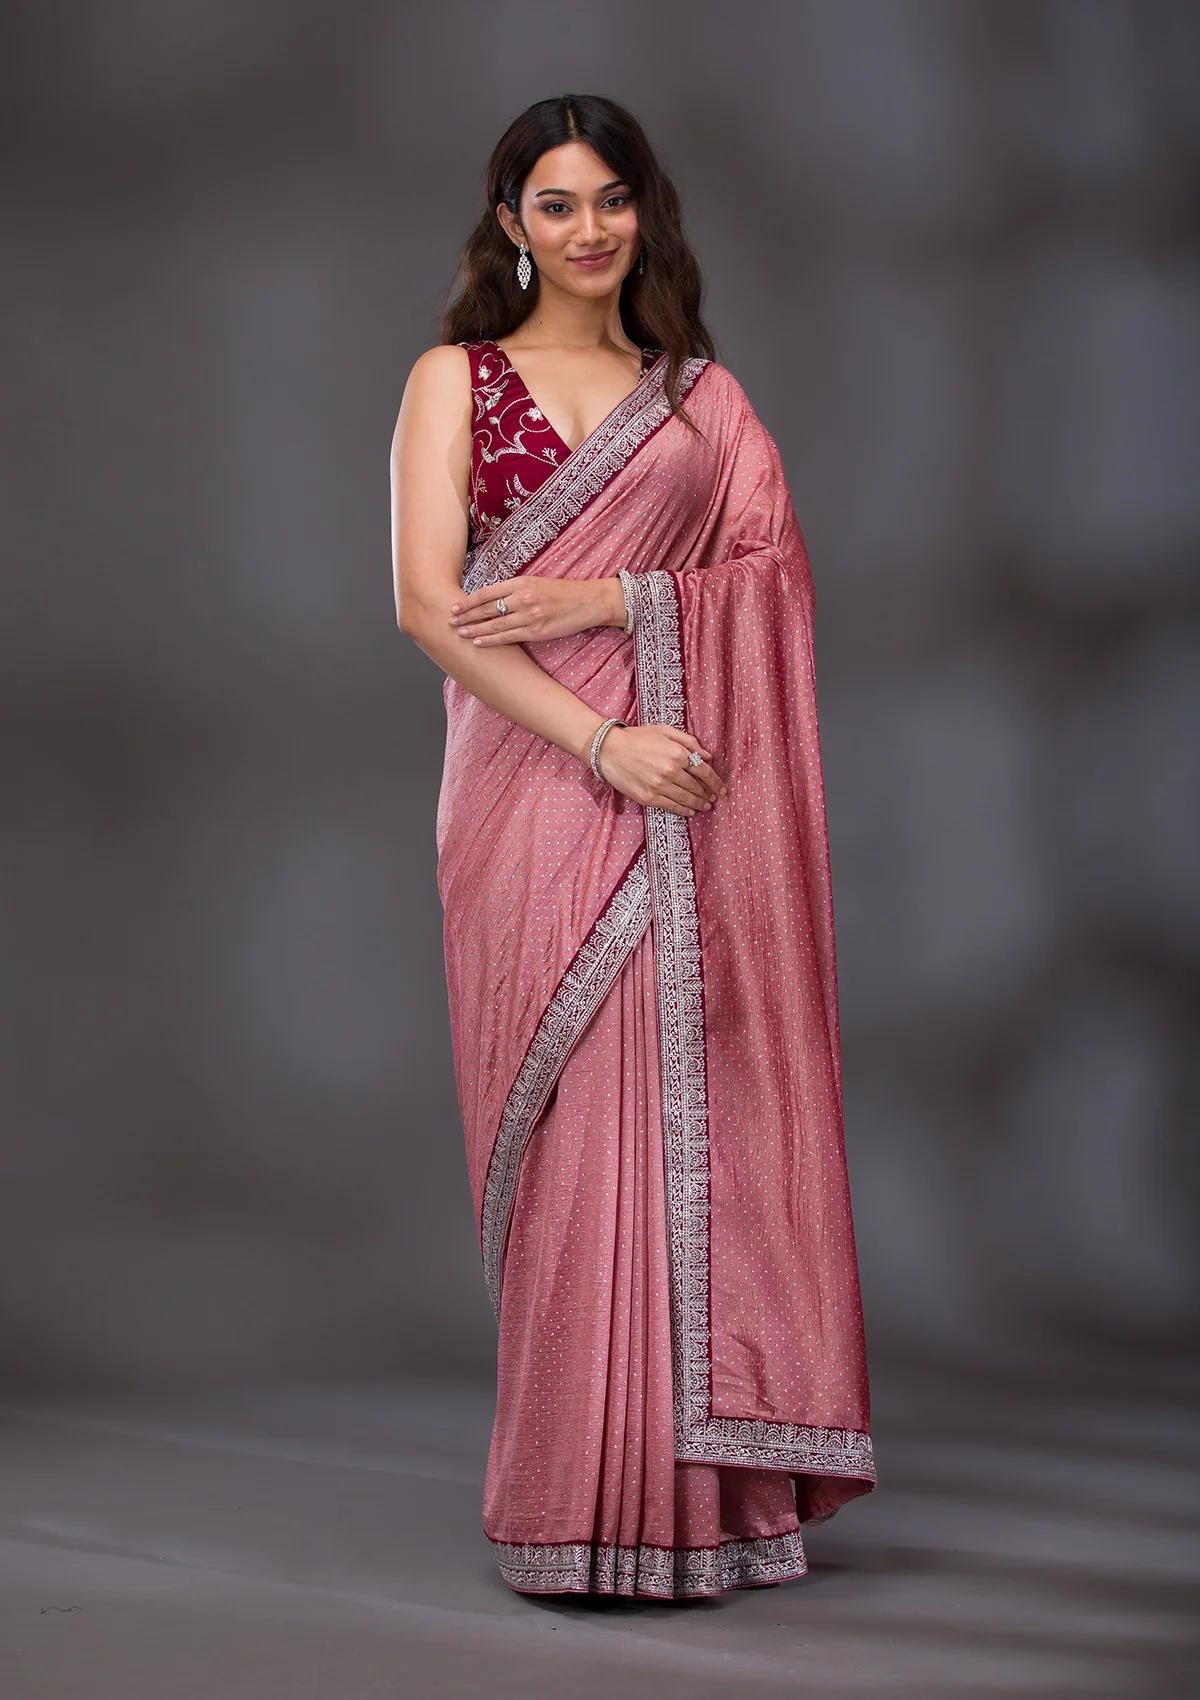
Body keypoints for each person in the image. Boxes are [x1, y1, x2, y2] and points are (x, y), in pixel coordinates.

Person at [391, 93, 875, 1601]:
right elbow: (427, 608)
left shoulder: (696, 401)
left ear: (643, 213)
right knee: (572, 1145)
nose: (588, 229)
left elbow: (773, 580)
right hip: (534, 791)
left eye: (611, 200)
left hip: (677, 787)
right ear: (511, 223)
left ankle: (696, 1509)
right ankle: (568, 1503)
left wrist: (613, 603)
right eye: (556, 203)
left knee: (677, 1124)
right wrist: (602, 740)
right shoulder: (457, 380)